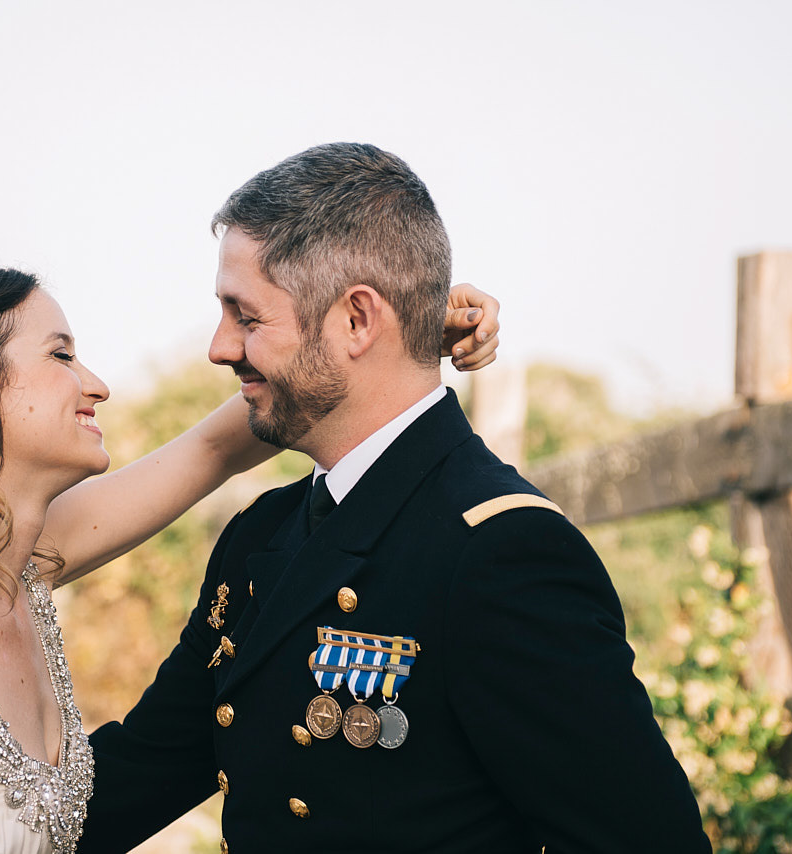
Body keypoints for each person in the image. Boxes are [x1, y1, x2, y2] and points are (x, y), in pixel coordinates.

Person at [79, 144, 712, 853]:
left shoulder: (501, 552)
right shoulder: (260, 533)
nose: (219, 347)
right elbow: (141, 771)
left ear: (357, 320)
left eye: (246, 317)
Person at [0, 267, 501, 853]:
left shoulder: (18, 570)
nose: (96, 384)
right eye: (61, 356)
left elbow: (211, 450)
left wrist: (389, 337)